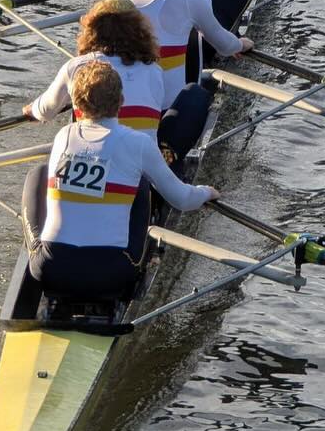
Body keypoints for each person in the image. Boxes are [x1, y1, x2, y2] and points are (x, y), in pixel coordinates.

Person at [21, 61, 218, 298]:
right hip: (113, 271)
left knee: (38, 174)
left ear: (77, 104)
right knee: (141, 182)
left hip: (50, 268)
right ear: (121, 101)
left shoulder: (63, 136)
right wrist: (206, 192)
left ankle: (36, 247)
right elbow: (182, 200)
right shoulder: (138, 143)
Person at [119, 0, 252, 161]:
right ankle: (168, 157)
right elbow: (224, 46)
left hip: (119, 110)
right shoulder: (189, 0)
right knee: (197, 94)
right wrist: (240, 44)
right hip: (166, 113)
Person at [23, 0, 166, 141]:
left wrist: (31, 110)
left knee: (77, 117)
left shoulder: (76, 67)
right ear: (139, 30)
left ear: (91, 29)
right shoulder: (154, 70)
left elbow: (45, 111)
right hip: (143, 151)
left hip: (100, 150)